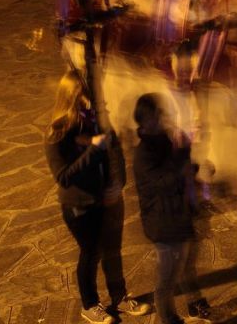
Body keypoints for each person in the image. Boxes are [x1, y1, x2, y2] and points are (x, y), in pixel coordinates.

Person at [44, 70, 150, 324]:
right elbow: (64, 176)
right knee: (91, 253)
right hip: (79, 205)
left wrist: (116, 183)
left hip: (106, 198)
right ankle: (90, 304)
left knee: (113, 250)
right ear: (71, 97)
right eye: (83, 95)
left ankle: (120, 297)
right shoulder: (57, 132)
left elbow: (113, 153)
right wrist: (93, 149)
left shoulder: (93, 121)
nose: (89, 101)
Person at [132, 93, 211, 324]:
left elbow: (177, 166)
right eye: (158, 114)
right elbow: (160, 184)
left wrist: (188, 157)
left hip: (176, 215)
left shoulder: (162, 139)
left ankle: (189, 305)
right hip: (162, 222)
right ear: (146, 121)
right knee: (166, 280)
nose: (164, 118)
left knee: (182, 266)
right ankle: (168, 319)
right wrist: (184, 168)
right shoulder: (144, 154)